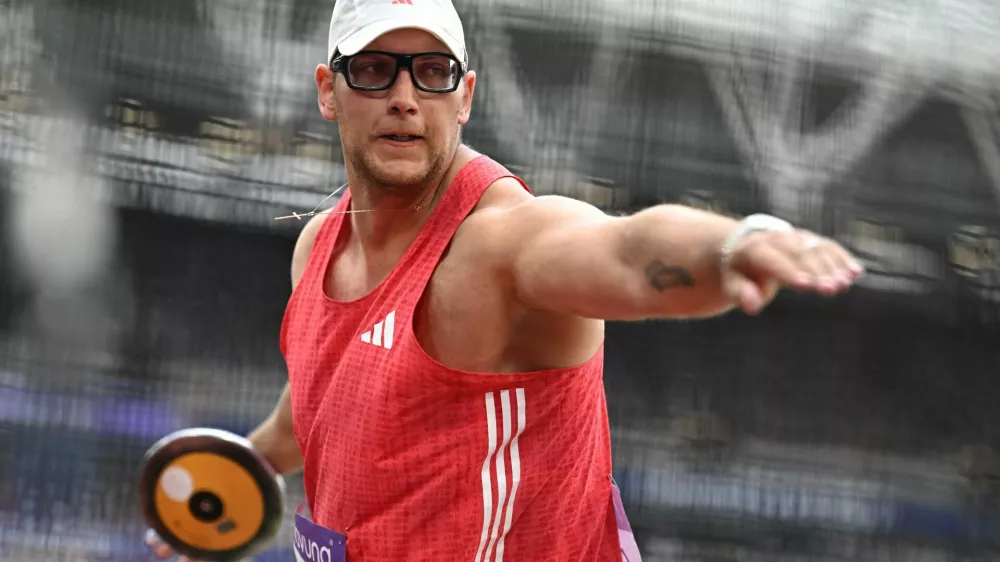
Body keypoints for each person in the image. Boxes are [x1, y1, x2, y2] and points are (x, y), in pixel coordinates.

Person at [147, 0, 863, 560]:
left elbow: (622, 251)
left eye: (433, 72)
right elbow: (326, 399)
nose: (404, 96)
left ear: (465, 97)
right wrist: (252, 465)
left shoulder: (498, 247)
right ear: (329, 91)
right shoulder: (318, 250)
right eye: (373, 70)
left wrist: (736, 243)